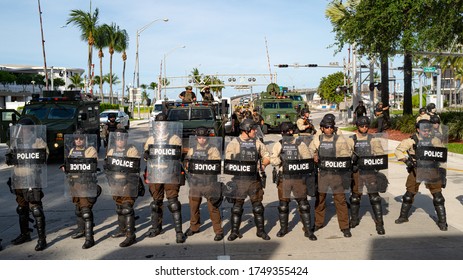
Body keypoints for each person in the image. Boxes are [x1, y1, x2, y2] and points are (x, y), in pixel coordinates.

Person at [394, 119, 448, 231]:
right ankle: (403, 217)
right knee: (409, 195)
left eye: (428, 130)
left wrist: (442, 172)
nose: (426, 133)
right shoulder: (411, 141)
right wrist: (405, 160)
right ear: (418, 129)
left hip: (432, 169)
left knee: (438, 198)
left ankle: (442, 222)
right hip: (416, 169)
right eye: (424, 130)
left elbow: (442, 157)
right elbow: (398, 151)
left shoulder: (435, 140)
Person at [5, 118, 49, 251]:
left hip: (32, 178)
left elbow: (44, 156)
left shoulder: (38, 141)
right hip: (18, 178)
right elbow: (9, 157)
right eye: (21, 129)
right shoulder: (16, 142)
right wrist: (9, 157)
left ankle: (42, 239)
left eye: (25, 129)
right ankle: (25, 234)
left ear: (30, 129)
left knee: (35, 209)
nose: (23, 131)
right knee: (21, 208)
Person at [224, 118, 271, 241]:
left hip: (254, 179)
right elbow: (229, 162)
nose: (255, 131)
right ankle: (235, 231)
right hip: (239, 180)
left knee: (258, 207)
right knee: (237, 208)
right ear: (247, 130)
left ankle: (260, 231)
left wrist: (263, 165)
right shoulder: (234, 143)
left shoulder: (257, 142)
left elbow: (267, 156)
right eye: (253, 129)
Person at [270, 122, 317, 240]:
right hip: (284, 177)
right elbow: (272, 160)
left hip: (298, 177)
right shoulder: (278, 144)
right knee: (283, 205)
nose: (286, 135)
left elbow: (307, 159)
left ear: (292, 132)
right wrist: (280, 159)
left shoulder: (299, 144)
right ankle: (283, 228)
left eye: (288, 132)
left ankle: (308, 230)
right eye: (284, 133)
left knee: (303, 205)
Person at [144, 113, 186, 243]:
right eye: (158, 124)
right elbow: (146, 155)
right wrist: (146, 154)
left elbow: (179, 154)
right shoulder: (151, 139)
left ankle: (178, 232)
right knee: (156, 203)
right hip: (155, 173)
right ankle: (156, 227)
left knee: (173, 203)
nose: (161, 127)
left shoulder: (174, 139)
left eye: (163, 124)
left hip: (170, 173)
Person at [309, 114, 353, 238]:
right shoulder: (318, 139)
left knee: (340, 201)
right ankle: (318, 223)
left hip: (336, 174)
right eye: (326, 127)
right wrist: (314, 154)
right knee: (320, 200)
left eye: (331, 127)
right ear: (322, 128)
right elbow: (310, 150)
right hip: (322, 174)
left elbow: (346, 153)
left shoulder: (339, 139)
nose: (329, 129)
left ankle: (344, 227)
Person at [348, 116, 388, 235]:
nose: (364, 128)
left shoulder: (373, 139)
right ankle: (354, 220)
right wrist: (352, 159)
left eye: (366, 126)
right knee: (355, 197)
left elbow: (379, 153)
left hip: (370, 171)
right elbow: (344, 153)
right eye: (362, 126)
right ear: (357, 126)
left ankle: (379, 223)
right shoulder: (352, 139)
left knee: (375, 197)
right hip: (357, 171)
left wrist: (374, 160)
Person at [183, 127, 224, 241]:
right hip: (196, 182)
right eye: (199, 138)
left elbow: (216, 164)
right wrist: (187, 163)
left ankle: (218, 230)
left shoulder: (213, 150)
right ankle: (194, 227)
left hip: (209, 182)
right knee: (193, 206)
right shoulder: (193, 150)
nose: (202, 140)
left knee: (213, 207)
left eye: (203, 137)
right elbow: (187, 162)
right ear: (197, 138)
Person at [61, 129, 100, 249]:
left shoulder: (90, 150)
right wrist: (65, 167)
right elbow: (70, 163)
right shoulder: (72, 150)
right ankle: (81, 230)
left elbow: (91, 165)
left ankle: (89, 238)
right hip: (74, 184)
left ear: (85, 139)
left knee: (86, 211)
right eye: (76, 138)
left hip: (85, 183)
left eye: (81, 138)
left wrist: (75, 165)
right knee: (78, 209)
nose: (78, 140)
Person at [104, 128, 141, 247]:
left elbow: (134, 167)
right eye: (118, 139)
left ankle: (131, 236)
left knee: (127, 208)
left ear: (126, 139)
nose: (120, 141)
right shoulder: (111, 150)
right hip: (115, 182)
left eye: (123, 139)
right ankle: (122, 229)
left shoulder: (131, 150)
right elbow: (108, 165)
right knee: (119, 208)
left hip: (128, 182)